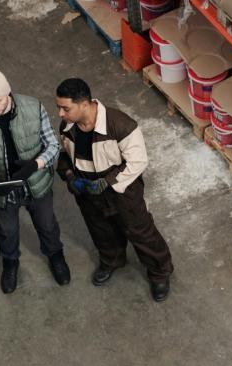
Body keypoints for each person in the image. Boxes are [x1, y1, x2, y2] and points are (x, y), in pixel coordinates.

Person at [54, 78, 174, 302]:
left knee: (139, 231)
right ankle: (112, 260)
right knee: (101, 229)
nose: (61, 113)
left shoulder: (120, 125)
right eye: (58, 107)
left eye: (65, 108)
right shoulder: (67, 128)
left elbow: (137, 162)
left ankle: (159, 272)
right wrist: (70, 177)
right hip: (87, 192)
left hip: (121, 192)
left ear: (84, 104)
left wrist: (108, 181)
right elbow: (63, 155)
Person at [0, 64, 70, 294]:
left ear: (8, 93)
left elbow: (52, 144)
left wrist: (36, 164)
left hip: (36, 183)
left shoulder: (33, 107)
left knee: (47, 225)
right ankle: (10, 264)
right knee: (7, 232)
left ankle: (56, 256)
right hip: (0, 191)